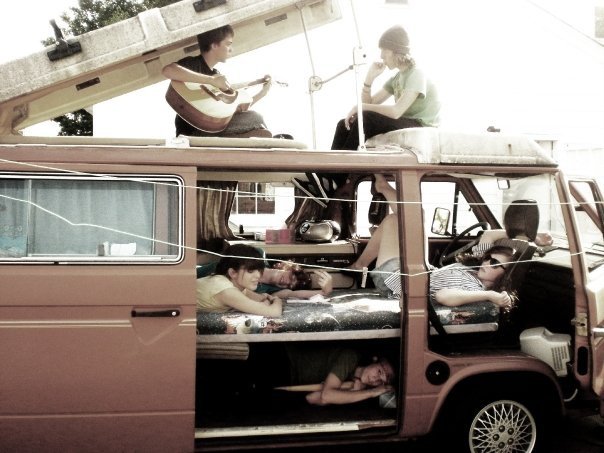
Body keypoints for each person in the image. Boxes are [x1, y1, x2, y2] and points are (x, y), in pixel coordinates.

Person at [331, 25, 440, 153]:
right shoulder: (396, 78)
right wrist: (369, 78)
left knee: (365, 119)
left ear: (396, 51)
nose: (381, 55)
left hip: (421, 124)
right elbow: (369, 103)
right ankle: (330, 164)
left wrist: (359, 107)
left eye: (384, 50)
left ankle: (344, 165)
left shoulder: (417, 74)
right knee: (344, 124)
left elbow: (396, 111)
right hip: (405, 121)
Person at [162, 25, 272, 137]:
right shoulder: (194, 64)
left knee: (254, 117)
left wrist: (262, 93)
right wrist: (211, 80)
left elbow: (231, 111)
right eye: (228, 44)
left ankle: (232, 139)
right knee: (256, 118)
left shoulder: (217, 75)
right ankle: (233, 140)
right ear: (214, 45)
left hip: (212, 127)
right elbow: (168, 70)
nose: (231, 49)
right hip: (193, 130)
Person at [282, 344, 395, 406]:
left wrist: (353, 392)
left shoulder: (359, 389)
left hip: (289, 383)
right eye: (379, 372)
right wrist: (371, 393)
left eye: (381, 381)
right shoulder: (351, 357)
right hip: (286, 360)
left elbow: (311, 398)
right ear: (374, 360)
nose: (375, 380)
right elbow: (327, 395)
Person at [196, 243, 283, 316]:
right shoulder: (225, 290)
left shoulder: (236, 285)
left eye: (259, 270)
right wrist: (277, 300)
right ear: (233, 273)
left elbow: (262, 299)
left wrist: (265, 302)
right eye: (250, 271)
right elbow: (273, 312)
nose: (258, 275)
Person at [198, 256, 334, 299]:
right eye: (291, 277)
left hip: (208, 293)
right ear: (287, 267)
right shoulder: (257, 255)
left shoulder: (271, 290)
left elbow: (293, 294)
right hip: (200, 273)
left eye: (289, 285)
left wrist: (324, 292)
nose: (287, 282)